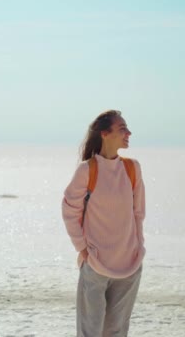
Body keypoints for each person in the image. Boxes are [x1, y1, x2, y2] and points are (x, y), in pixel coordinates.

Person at [61, 110, 146, 337]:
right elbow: (70, 212)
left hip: (129, 266)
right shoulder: (88, 170)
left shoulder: (132, 169)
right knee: (90, 332)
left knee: (117, 332)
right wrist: (83, 250)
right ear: (105, 134)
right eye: (122, 129)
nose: (129, 133)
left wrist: (139, 249)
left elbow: (138, 213)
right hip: (96, 265)